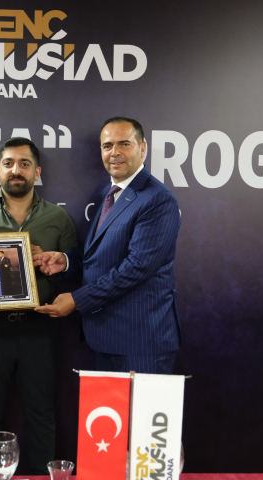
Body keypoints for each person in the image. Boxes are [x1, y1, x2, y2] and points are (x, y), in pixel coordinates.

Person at [0, 137, 78, 474]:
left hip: (40, 329)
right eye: (8, 163)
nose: (16, 170)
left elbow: (75, 270)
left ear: (37, 172)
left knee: (42, 415)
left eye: (24, 164)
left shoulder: (58, 218)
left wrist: (54, 262)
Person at [34, 117, 181, 375]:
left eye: (124, 144)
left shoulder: (158, 199)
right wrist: (66, 261)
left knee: (139, 405)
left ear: (142, 148)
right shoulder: (107, 193)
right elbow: (104, 254)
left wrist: (77, 300)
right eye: (107, 146)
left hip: (141, 342)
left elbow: (137, 268)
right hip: (106, 338)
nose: (114, 152)